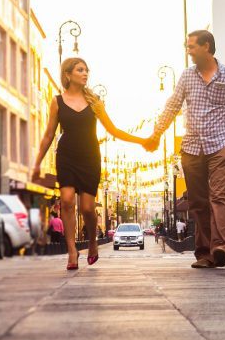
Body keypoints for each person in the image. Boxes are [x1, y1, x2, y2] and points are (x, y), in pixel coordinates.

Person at [145, 30, 225, 269]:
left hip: (220, 145)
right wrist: (156, 135)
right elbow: (172, 106)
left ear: (206, 46)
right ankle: (204, 253)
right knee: (198, 202)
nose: (188, 50)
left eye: (192, 46)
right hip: (192, 147)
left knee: (218, 196)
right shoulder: (186, 76)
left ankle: (221, 248)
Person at [32, 57, 149, 270]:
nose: (85, 73)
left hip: (90, 157)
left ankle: (93, 242)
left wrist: (141, 141)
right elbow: (49, 134)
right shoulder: (57, 101)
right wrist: (37, 163)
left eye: (86, 70)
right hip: (66, 155)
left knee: (87, 207)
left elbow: (113, 130)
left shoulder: (95, 102)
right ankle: (72, 252)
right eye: (80, 70)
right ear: (68, 74)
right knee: (66, 201)